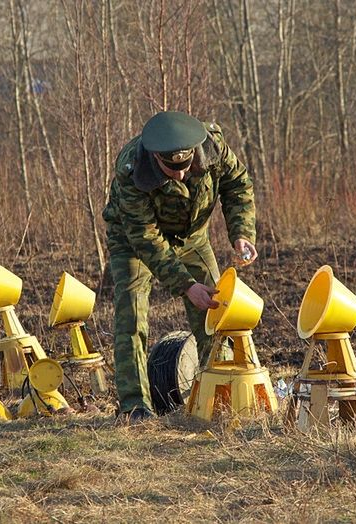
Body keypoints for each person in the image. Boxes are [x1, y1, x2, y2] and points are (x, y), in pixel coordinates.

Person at [102, 111, 258, 423]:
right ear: (156, 158)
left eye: (185, 166)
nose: (180, 174)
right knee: (131, 313)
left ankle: (222, 396)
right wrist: (186, 285)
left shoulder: (213, 147)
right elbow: (147, 238)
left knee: (218, 309)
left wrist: (241, 234)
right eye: (171, 168)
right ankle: (135, 407)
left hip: (192, 237)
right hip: (134, 242)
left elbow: (238, 186)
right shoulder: (132, 169)